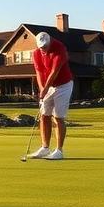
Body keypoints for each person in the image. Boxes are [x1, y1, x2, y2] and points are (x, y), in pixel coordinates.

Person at [28, 31, 74, 160]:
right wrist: (42, 88)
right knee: (44, 115)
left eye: (45, 46)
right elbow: (38, 72)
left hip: (63, 85)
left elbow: (55, 71)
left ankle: (59, 150)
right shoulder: (37, 52)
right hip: (47, 87)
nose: (44, 49)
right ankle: (45, 147)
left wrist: (46, 88)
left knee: (58, 117)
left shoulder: (60, 48)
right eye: (41, 47)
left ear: (50, 42)